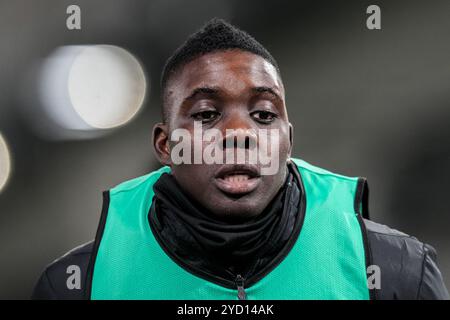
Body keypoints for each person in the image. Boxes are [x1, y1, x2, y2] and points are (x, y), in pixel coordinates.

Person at [32, 18, 449, 300]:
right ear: (165, 146)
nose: (238, 134)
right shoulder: (77, 286)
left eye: (264, 115)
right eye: (206, 115)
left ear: (287, 140)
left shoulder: (398, 273)